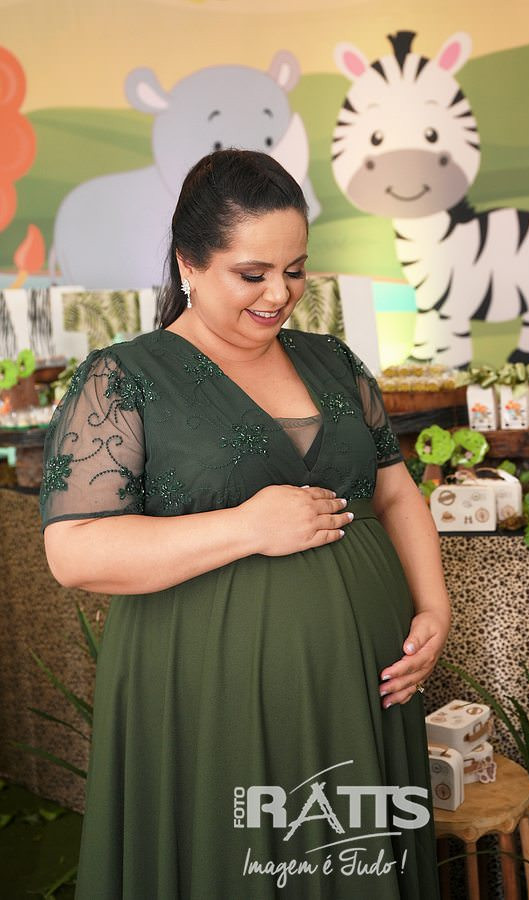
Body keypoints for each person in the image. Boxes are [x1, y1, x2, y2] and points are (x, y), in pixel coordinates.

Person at [40, 149, 451, 899]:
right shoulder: (123, 378)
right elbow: (75, 552)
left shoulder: (334, 362)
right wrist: (247, 527)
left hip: (362, 689)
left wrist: (433, 606)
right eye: (252, 273)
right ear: (188, 265)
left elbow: (394, 494)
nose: (279, 294)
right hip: (209, 694)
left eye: (294, 270)